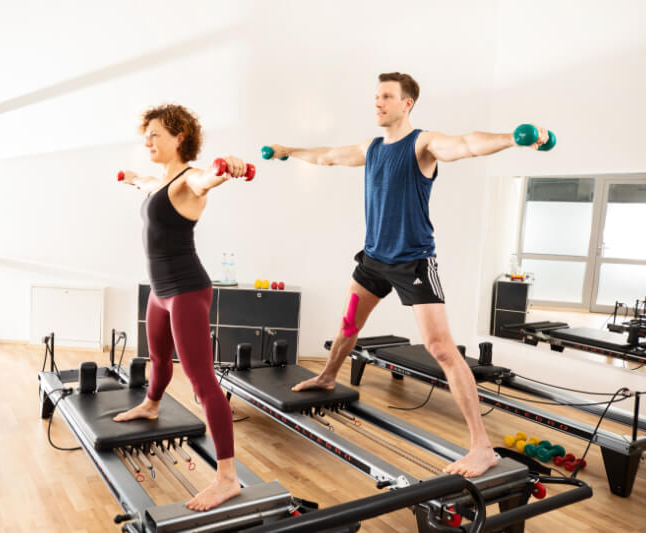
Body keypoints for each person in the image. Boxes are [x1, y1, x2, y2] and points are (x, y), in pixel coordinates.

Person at [265, 72, 551, 477]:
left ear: (407, 103)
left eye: (386, 96)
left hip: (413, 262)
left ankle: (482, 447)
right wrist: (287, 151)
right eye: (376, 96)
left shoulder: (424, 143)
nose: (377, 103)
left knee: (441, 348)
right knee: (348, 324)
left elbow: (467, 144)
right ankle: (328, 376)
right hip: (373, 261)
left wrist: (513, 137)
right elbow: (328, 155)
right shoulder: (373, 147)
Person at [115, 104, 247, 510]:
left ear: (179, 138)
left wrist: (229, 169)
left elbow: (209, 178)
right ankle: (152, 405)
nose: (148, 141)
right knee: (157, 356)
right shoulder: (160, 182)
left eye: (155, 134)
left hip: (187, 291)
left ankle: (227, 478)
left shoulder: (189, 180)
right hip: (160, 291)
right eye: (147, 135)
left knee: (201, 381)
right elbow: (144, 184)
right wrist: (131, 177)